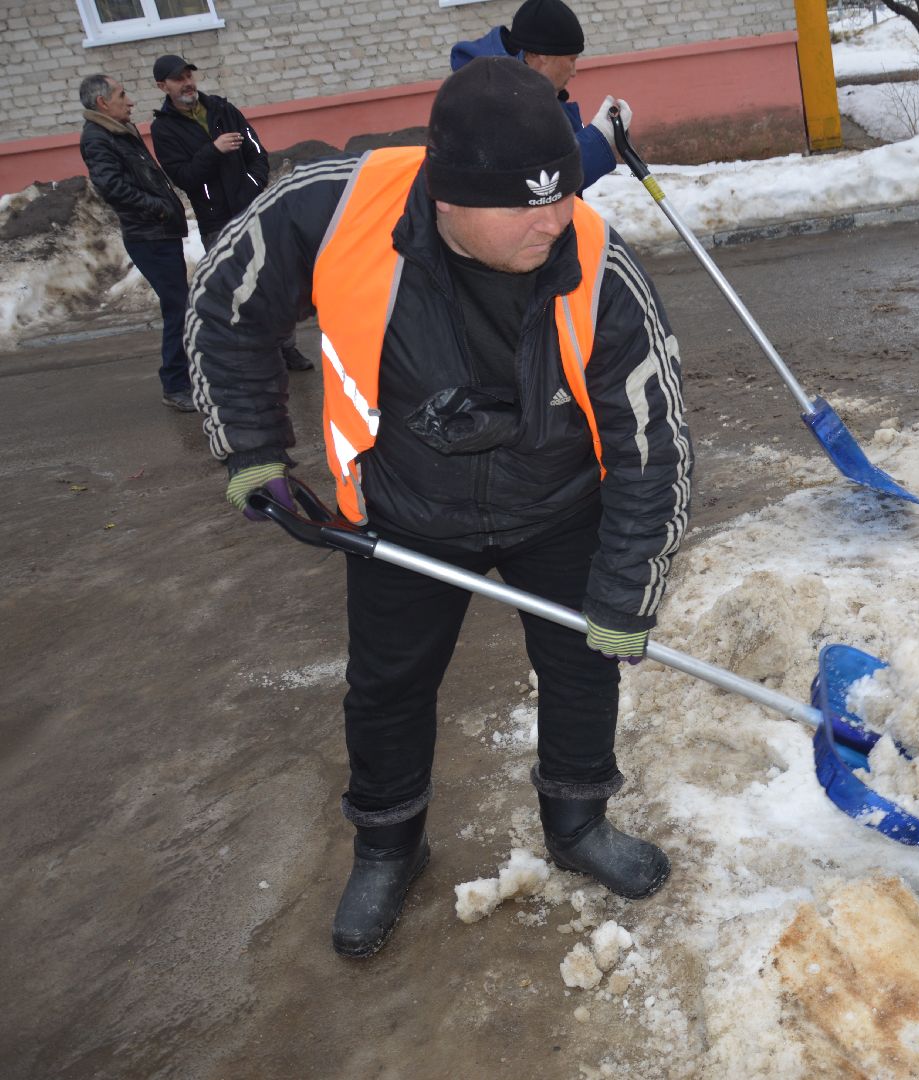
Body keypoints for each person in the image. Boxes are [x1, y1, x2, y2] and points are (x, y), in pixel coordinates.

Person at [188, 57, 691, 958]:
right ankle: (389, 846)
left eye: (563, 194)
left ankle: (577, 824)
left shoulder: (599, 262)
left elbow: (653, 446)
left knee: (583, 666)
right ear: (448, 197)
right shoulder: (335, 209)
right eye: (525, 205)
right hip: (405, 512)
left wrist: (625, 592)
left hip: (557, 503)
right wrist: (253, 451)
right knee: (387, 688)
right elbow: (228, 304)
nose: (554, 220)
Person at [149, 54, 313, 372]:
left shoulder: (223, 110)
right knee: (238, 290)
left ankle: (287, 347)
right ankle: (259, 353)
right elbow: (183, 177)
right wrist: (213, 150)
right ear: (162, 86)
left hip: (253, 210)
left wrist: (252, 185)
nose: (187, 83)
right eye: (178, 79)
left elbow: (257, 153)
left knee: (275, 282)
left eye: (189, 75)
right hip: (216, 222)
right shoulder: (164, 129)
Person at [76, 73, 194, 412]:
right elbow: (111, 187)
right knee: (178, 307)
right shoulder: (98, 137)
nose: (130, 101)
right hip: (148, 235)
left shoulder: (118, 130)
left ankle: (186, 376)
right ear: (103, 102)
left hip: (159, 231)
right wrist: (158, 209)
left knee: (180, 306)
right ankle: (175, 385)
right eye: (122, 95)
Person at [450, 0, 627, 193]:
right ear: (543, 55)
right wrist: (600, 136)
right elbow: (540, 182)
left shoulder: (526, 89)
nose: (574, 72)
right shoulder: (493, 100)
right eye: (571, 59)